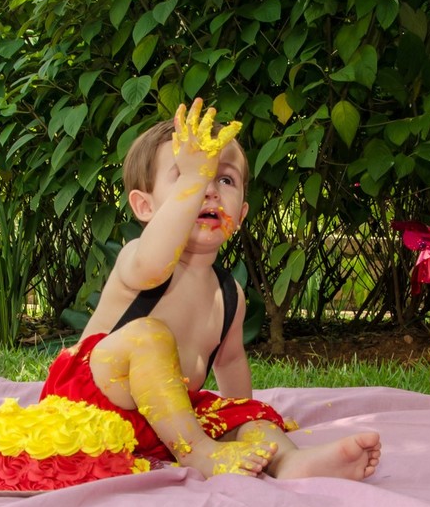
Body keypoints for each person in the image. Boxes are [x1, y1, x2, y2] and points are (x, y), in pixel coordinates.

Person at [40, 99, 381, 480]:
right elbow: (154, 263)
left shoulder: (228, 294)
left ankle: (291, 463)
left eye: (225, 180)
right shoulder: (139, 259)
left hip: (164, 424)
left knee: (249, 419)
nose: (209, 189)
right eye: (188, 175)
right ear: (145, 207)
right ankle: (199, 453)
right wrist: (194, 179)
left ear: (242, 213)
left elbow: (230, 363)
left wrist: (241, 418)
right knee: (148, 336)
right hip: (90, 404)